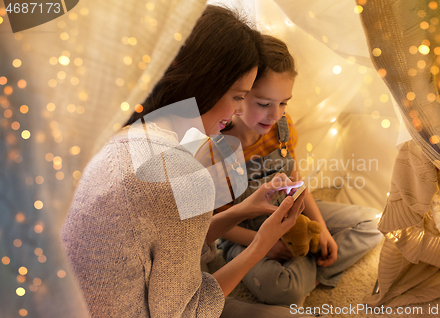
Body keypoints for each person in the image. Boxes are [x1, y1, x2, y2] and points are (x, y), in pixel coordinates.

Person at [61, 6, 307, 318]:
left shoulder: (128, 133)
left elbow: (169, 242)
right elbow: (187, 311)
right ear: (208, 83)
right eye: (237, 96)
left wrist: (244, 210)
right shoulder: (180, 171)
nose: (237, 111)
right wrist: (260, 245)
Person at [196, 35, 383, 306]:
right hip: (243, 234)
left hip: (292, 213)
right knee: (281, 289)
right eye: (264, 104)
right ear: (240, 95)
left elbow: (296, 182)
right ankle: (306, 271)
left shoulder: (283, 127)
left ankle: (306, 262)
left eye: (283, 102)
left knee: (374, 223)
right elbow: (217, 225)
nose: (275, 114)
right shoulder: (214, 148)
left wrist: (322, 232)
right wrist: (266, 243)